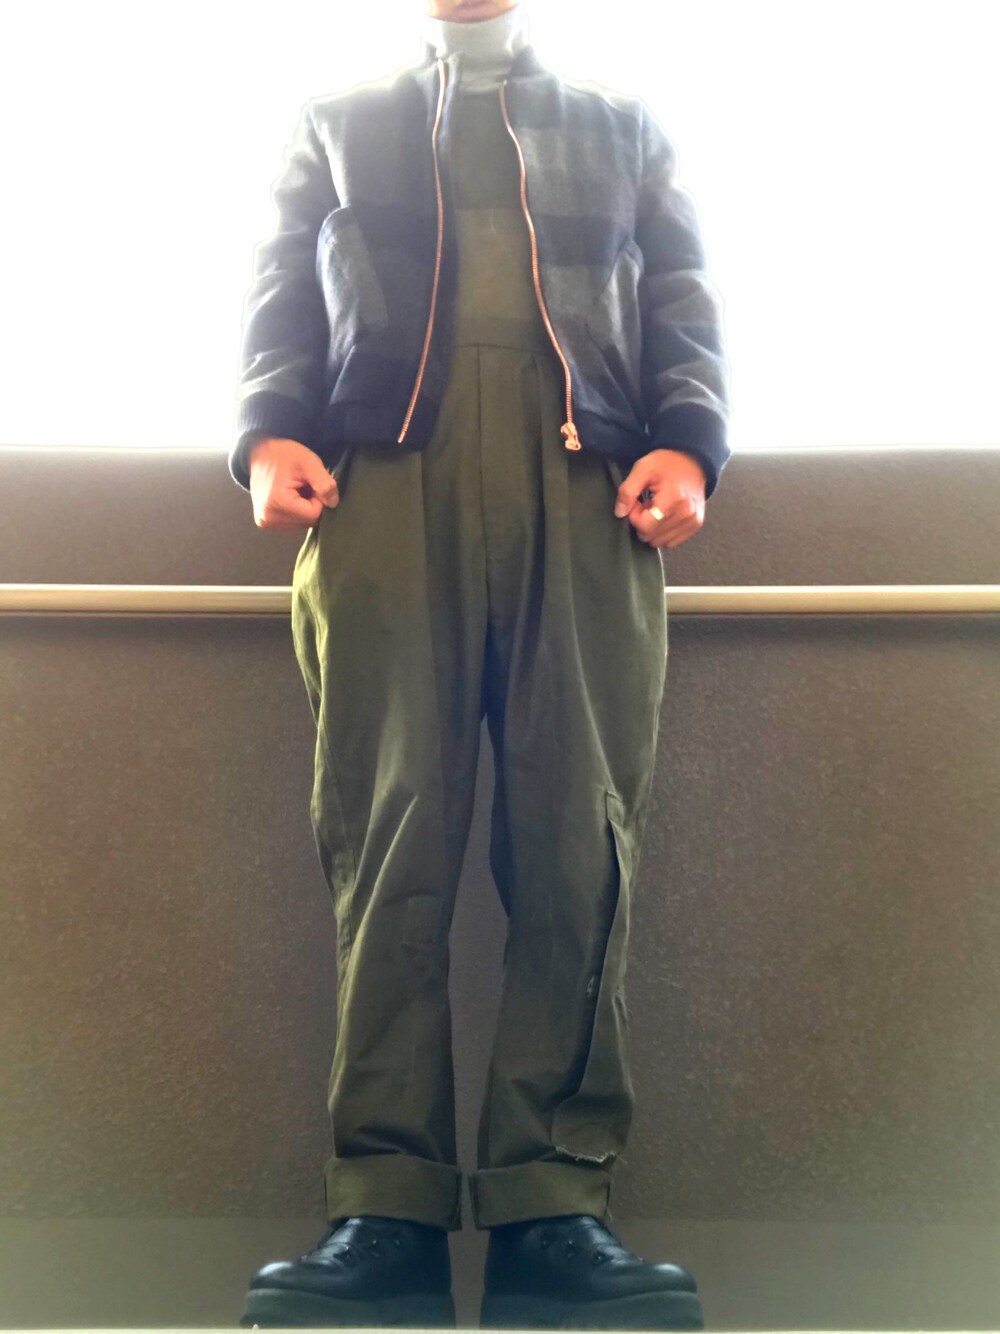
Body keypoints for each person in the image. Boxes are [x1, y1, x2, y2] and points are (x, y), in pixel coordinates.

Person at [230, 0, 731, 1327]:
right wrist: (269, 429)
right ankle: (384, 1208)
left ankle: (551, 1203)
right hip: (380, 485)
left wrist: (688, 439)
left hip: (590, 487)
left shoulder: (622, 129)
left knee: (577, 838)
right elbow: (281, 290)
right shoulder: (337, 126)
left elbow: (682, 296)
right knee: (388, 833)